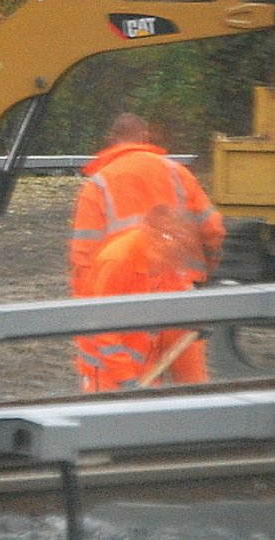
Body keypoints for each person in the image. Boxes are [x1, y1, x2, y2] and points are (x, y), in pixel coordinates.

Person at [69, 112, 225, 391]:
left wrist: (88, 317)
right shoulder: (177, 173)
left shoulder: (98, 185)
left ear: (111, 140)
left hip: (126, 306)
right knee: (194, 392)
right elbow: (213, 229)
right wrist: (205, 276)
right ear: (146, 136)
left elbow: (84, 259)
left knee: (127, 390)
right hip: (179, 297)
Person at [76, 204, 209, 391]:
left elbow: (176, 291)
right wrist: (125, 378)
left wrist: (195, 317)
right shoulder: (118, 260)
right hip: (106, 373)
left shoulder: (164, 257)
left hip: (145, 368)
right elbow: (102, 327)